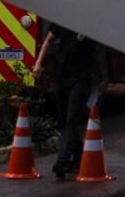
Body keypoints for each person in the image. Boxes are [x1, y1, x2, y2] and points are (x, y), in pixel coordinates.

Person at [33, 20, 107, 180]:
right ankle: (78, 157)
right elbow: (49, 40)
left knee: (72, 119)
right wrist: (38, 63)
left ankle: (62, 161)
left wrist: (103, 77)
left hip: (80, 79)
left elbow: (99, 52)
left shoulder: (91, 24)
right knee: (64, 120)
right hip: (61, 77)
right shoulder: (62, 18)